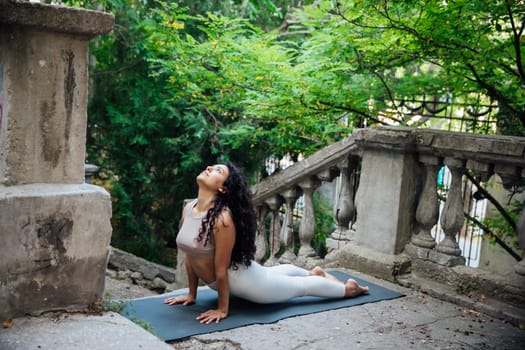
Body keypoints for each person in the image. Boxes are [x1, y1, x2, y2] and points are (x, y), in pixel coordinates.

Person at [164, 163, 369, 324]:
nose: (208, 168)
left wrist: (222, 309)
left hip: (251, 284)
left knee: (302, 288)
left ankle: (349, 289)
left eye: (217, 170)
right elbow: (191, 255)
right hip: (244, 275)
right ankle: (315, 272)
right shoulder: (189, 208)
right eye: (212, 166)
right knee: (274, 273)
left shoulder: (222, 219)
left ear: (222, 188)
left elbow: (220, 270)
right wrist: (191, 295)